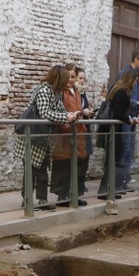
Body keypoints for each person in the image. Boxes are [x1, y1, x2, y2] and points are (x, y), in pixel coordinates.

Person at [24, 64, 77, 210]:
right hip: (33, 135)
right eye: (65, 79)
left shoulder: (56, 92)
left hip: (45, 137)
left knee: (42, 169)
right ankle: (27, 200)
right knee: (32, 169)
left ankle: (42, 201)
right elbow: (45, 113)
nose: (68, 82)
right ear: (59, 79)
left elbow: (60, 110)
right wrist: (66, 117)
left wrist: (70, 114)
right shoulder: (44, 91)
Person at [52, 64, 92, 206]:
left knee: (78, 164)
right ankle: (63, 197)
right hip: (65, 133)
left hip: (78, 132)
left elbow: (77, 108)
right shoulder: (60, 92)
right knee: (65, 165)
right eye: (68, 76)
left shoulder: (76, 91)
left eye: (73, 77)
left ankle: (74, 194)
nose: (70, 79)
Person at [98, 66, 139, 197]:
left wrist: (130, 118)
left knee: (112, 161)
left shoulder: (117, 89)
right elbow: (119, 113)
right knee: (112, 161)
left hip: (112, 130)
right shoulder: (122, 92)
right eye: (135, 80)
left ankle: (109, 189)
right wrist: (130, 119)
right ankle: (106, 190)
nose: (136, 83)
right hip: (113, 131)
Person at [112, 48, 139, 183]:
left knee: (129, 148)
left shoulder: (137, 76)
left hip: (132, 116)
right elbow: (121, 97)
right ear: (136, 59)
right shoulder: (126, 74)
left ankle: (125, 176)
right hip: (125, 116)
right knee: (124, 148)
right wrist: (137, 103)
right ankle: (120, 178)